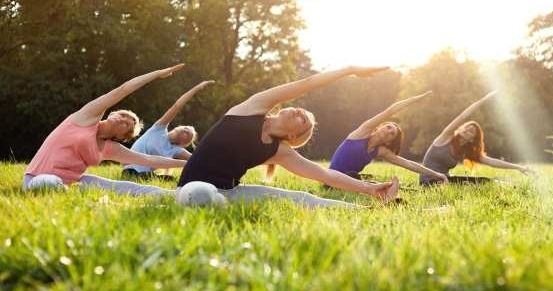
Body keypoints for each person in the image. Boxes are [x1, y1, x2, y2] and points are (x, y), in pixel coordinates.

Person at [177, 66, 399, 208]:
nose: (299, 111)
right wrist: (348, 70)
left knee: (304, 199)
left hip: (229, 193)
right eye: (301, 110)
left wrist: (369, 189)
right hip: (189, 188)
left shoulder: (279, 151)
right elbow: (305, 84)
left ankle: (369, 209)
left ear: (293, 135)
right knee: (200, 194)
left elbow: (325, 174)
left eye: (303, 120)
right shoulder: (252, 108)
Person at [23, 64, 187, 195]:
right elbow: (122, 90)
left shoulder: (111, 148)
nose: (123, 119)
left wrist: (188, 163)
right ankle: (64, 193)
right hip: (37, 179)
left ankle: (174, 195)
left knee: (120, 186)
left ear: (122, 136)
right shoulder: (87, 118)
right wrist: (157, 74)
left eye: (127, 125)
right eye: (123, 115)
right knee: (50, 183)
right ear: (114, 112)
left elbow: (149, 160)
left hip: (71, 182)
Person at [329, 91, 448, 183]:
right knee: (362, 180)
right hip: (330, 179)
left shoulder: (381, 151)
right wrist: (414, 100)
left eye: (392, 134)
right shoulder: (362, 132)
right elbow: (389, 111)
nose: (388, 131)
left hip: (349, 181)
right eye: (388, 127)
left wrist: (437, 174)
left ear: (389, 142)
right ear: (380, 126)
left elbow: (409, 164)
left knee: (369, 182)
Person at [419, 90, 535, 185]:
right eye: (466, 127)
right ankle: (504, 184)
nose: (466, 130)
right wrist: (484, 100)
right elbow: (463, 115)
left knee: (484, 181)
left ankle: (509, 184)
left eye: (471, 131)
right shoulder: (445, 138)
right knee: (474, 184)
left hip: (445, 180)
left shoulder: (465, 150)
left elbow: (491, 162)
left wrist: (518, 167)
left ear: (472, 139)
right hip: (429, 181)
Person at [122, 80, 214, 180]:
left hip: (145, 175)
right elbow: (177, 106)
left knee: (171, 179)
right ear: (177, 127)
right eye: (185, 129)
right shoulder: (158, 129)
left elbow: (197, 160)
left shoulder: (175, 150)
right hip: (130, 171)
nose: (185, 133)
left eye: (188, 136)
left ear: (184, 143)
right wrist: (196, 89)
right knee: (166, 179)